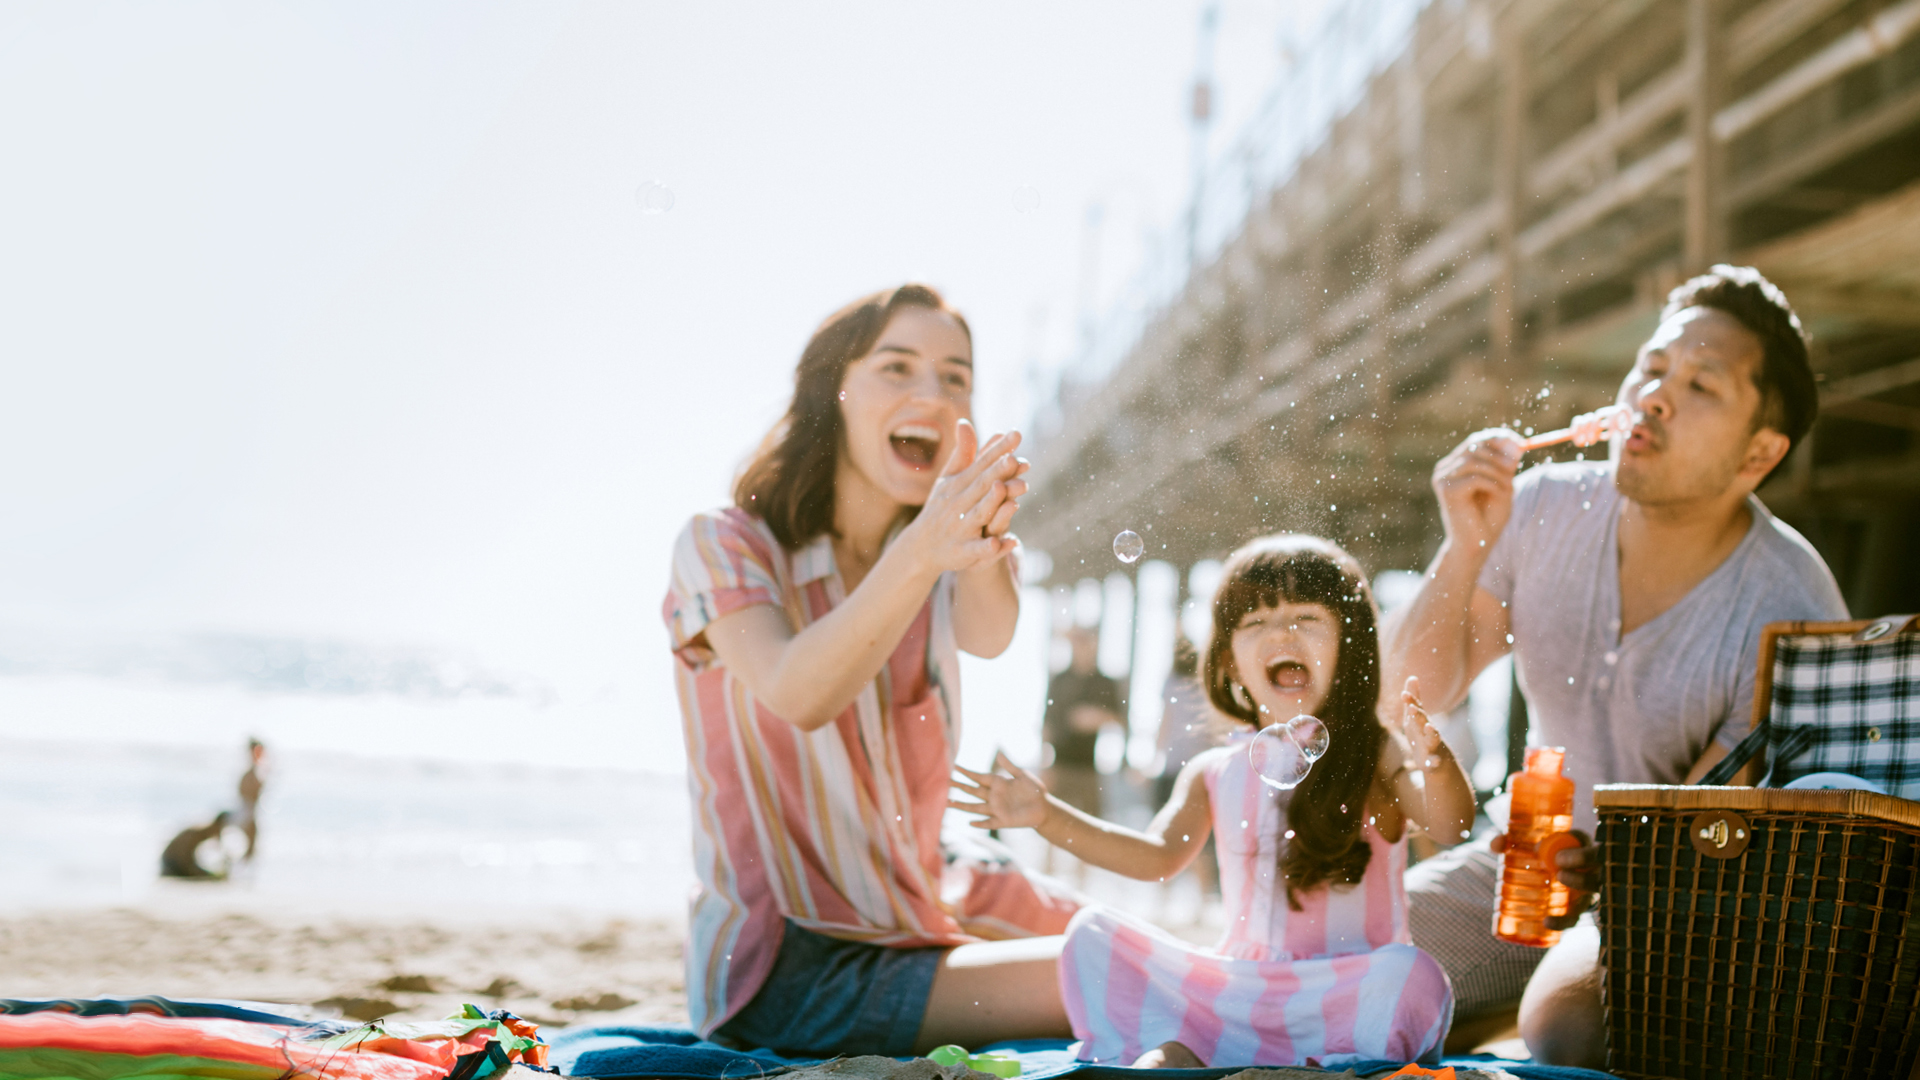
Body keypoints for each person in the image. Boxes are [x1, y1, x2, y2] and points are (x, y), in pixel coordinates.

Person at [1380, 265, 1848, 1066]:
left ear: (1759, 452)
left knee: (1566, 1019)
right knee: (1342, 959)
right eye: (1654, 368)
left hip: (1678, 900)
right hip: (1524, 865)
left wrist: (1608, 871)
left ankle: (1502, 1014)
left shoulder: (1788, 600)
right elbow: (1408, 698)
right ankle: (1458, 1015)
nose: (1657, 394)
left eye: (1702, 385)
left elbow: (1719, 841)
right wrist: (1464, 546)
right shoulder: (1540, 508)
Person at [664, 284, 1082, 1059]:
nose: (931, 392)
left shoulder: (940, 554)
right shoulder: (724, 546)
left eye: (956, 377)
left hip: (932, 895)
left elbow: (992, 635)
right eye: (898, 367)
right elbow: (800, 691)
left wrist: (977, 534)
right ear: (837, 391)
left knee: (1156, 957)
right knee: (1115, 973)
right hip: (790, 962)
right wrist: (924, 548)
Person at [955, 535, 1475, 1068]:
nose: (1281, 633)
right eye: (1255, 623)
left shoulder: (1375, 754)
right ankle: (1182, 1054)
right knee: (1092, 935)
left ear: (1351, 646)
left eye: (1306, 617)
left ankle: (1259, 1059)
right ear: (1229, 661)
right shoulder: (1216, 771)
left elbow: (1451, 823)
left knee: (1410, 976)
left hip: (1344, 992)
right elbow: (1153, 856)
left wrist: (1434, 761)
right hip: (1239, 994)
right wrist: (1045, 814)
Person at [1151, 634, 1219, 906]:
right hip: (1199, 770)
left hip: (1172, 768)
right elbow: (1214, 731)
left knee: (1165, 836)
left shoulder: (1172, 684)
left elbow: (1164, 725)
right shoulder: (1206, 684)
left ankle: (1163, 903)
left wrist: (1153, 758)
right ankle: (1200, 904)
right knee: (1202, 840)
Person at [1041, 626, 1124, 820]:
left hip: (1088, 768)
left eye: (1086, 641)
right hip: (1059, 764)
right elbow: (1047, 724)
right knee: (1051, 822)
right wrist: (1045, 764)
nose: (1082, 647)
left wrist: (1097, 717)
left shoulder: (1104, 682)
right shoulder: (1060, 680)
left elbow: (1119, 720)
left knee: (1092, 823)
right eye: (1077, 642)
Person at [159, 812, 231, 880]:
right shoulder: (197, 832)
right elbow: (185, 858)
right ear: (217, 825)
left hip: (175, 862)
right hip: (171, 863)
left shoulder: (202, 832)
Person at [236, 738, 267, 861]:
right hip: (247, 811)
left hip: (249, 810)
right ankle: (241, 870)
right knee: (250, 843)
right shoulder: (250, 774)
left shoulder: (253, 772)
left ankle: (243, 870)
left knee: (251, 844)